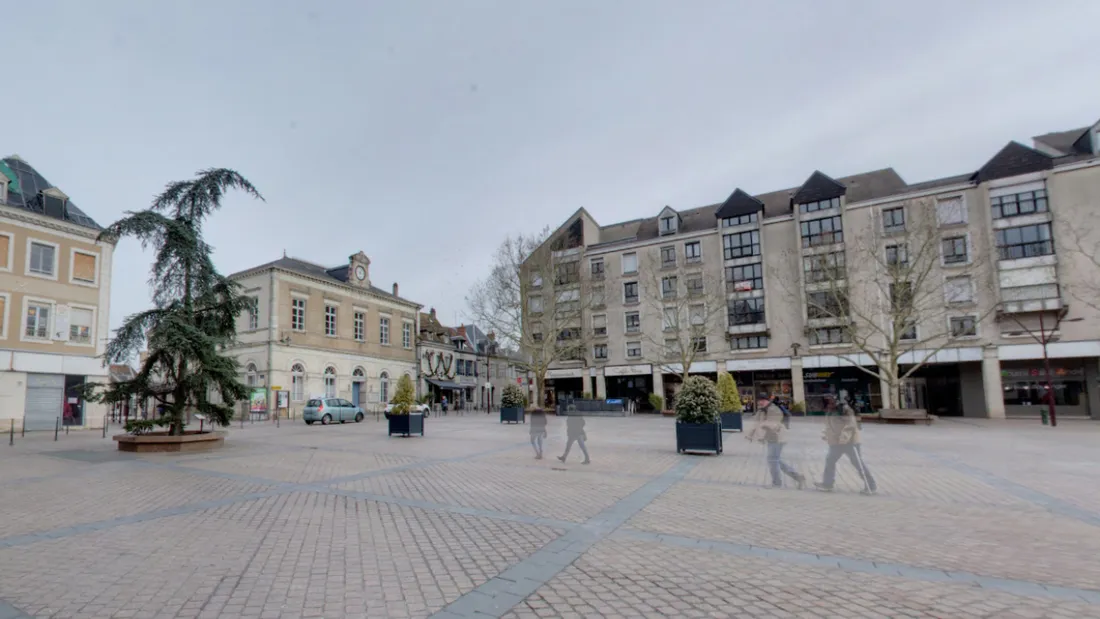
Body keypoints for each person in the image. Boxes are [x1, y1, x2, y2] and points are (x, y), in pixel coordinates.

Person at [816, 395, 876, 495]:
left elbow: (851, 425)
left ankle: (871, 485)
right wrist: (826, 435)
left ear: (832, 402)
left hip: (850, 442)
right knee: (830, 460)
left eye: (828, 404)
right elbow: (830, 425)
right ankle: (827, 484)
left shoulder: (844, 409)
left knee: (857, 463)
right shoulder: (830, 411)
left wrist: (844, 438)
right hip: (836, 443)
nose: (827, 408)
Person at [747, 394, 805, 489]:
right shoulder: (761, 410)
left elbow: (774, 423)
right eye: (759, 400)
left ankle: (777, 483)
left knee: (772, 460)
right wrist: (750, 434)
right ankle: (798, 477)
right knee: (775, 460)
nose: (760, 402)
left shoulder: (774, 410)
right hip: (771, 438)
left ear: (768, 401)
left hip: (777, 438)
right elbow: (756, 423)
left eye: (762, 400)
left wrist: (764, 427)